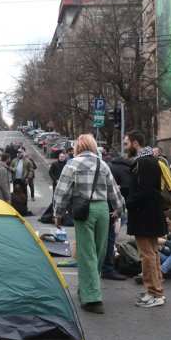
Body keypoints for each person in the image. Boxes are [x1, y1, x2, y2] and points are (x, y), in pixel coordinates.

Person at [53, 134, 125, 314]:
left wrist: (58, 214)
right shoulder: (103, 165)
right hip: (102, 209)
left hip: (84, 209)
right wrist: (121, 211)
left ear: (78, 146)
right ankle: (88, 287)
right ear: (93, 146)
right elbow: (114, 191)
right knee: (99, 251)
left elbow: (62, 192)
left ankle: (92, 298)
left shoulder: (72, 164)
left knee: (86, 253)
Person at [124, 130, 167, 308]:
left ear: (135, 143)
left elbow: (145, 190)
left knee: (147, 255)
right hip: (148, 213)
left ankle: (155, 293)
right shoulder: (147, 159)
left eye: (127, 144)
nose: (125, 147)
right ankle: (155, 290)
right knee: (152, 254)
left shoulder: (144, 161)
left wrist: (128, 202)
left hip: (145, 214)